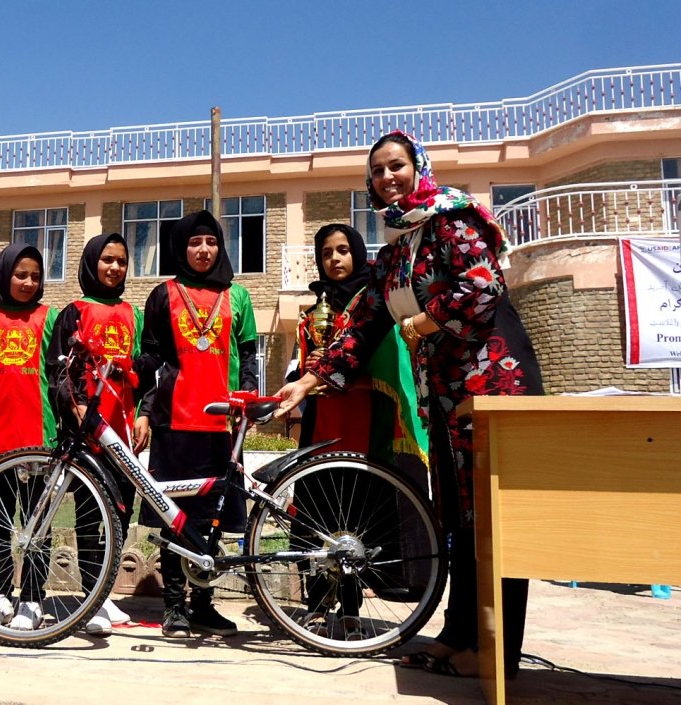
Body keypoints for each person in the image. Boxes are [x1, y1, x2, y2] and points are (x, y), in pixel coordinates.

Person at [275, 131, 543, 678]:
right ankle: (459, 632)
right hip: (443, 398)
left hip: (491, 386)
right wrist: (307, 382)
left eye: (396, 166)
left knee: (494, 518)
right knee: (459, 516)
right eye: (377, 172)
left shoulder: (453, 218)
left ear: (418, 166)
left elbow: (482, 286)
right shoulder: (397, 249)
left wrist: (421, 322)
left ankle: (495, 652)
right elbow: (364, 326)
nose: (387, 177)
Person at [286, 223, 428, 636]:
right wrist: (307, 370)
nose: (335, 259)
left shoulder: (377, 304)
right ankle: (315, 602)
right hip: (321, 426)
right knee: (317, 515)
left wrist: (340, 376)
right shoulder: (315, 310)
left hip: (364, 425)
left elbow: (385, 365)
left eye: (344, 249)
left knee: (357, 520)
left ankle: (350, 607)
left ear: (358, 253)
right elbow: (307, 363)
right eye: (327, 252)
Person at [134, 210, 258, 639]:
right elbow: (152, 361)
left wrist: (248, 401)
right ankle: (174, 606)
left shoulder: (237, 296)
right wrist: (143, 408)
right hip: (174, 421)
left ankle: (204, 604)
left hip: (221, 423)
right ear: (180, 248)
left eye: (210, 242)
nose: (203, 250)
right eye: (194, 243)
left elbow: (249, 359)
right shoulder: (163, 294)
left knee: (213, 519)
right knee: (175, 516)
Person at [46, 232, 147, 636]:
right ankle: (92, 598)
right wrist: (79, 410)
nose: (114, 268)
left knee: (122, 512)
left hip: (125, 430)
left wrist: (145, 417)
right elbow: (61, 372)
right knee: (91, 514)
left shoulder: (132, 313)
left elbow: (145, 374)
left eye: (121, 261)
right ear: (91, 262)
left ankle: (105, 592)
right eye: (107, 259)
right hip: (89, 433)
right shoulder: (73, 311)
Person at [0, 244, 58, 631]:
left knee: (38, 523)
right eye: (20, 274)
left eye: (35, 276)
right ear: (4, 274)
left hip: (41, 436)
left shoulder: (49, 317)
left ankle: (34, 599)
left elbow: (58, 375)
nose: (28, 282)